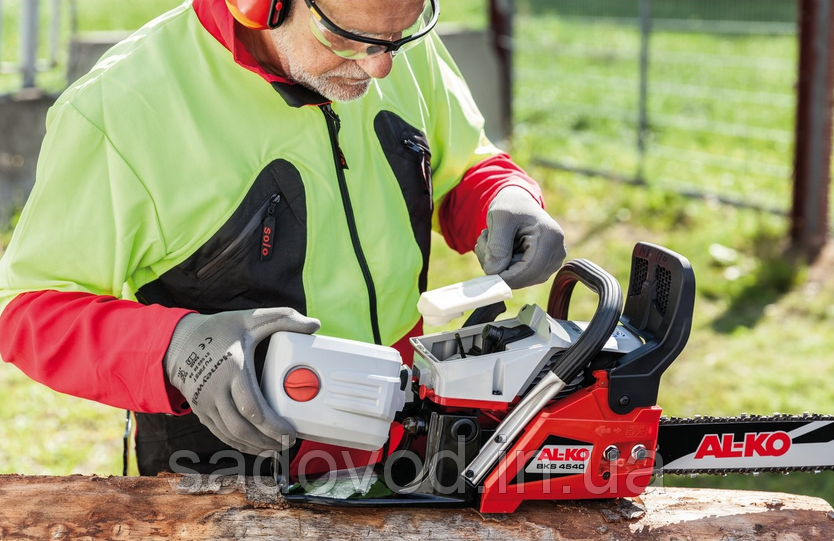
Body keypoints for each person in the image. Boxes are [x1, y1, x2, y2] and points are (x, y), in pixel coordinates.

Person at [0, 0, 566, 478]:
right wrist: (174, 348)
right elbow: (27, 309)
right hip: (230, 454)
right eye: (347, 40)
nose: (381, 69)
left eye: (401, 34)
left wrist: (502, 196)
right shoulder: (121, 109)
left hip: (404, 420)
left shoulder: (384, 33)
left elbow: (461, 162)